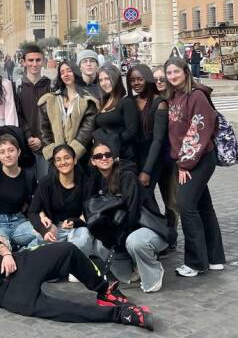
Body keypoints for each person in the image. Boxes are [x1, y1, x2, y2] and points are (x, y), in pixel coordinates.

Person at [0, 208, 154, 331]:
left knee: (65, 250)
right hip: (3, 295)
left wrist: (5, 253)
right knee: (58, 309)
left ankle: (103, 291)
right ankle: (122, 315)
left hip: (17, 264)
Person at [165, 56, 226, 278]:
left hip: (198, 159)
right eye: (169, 73)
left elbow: (199, 130)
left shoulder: (197, 95)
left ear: (185, 72)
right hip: (189, 159)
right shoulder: (175, 96)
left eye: (176, 72)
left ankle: (196, 262)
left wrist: (184, 164)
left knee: (186, 205)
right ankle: (215, 258)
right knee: (203, 207)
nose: (172, 76)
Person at [86, 138, 171, 293]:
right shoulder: (95, 181)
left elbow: (132, 212)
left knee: (135, 242)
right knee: (100, 244)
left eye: (107, 154)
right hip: (122, 229)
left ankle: (153, 272)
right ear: (93, 161)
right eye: (98, 156)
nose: (104, 158)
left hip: (146, 228)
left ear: (114, 157)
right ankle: (132, 269)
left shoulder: (127, 175)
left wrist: (116, 235)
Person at [28, 144, 94, 256]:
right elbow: (32, 211)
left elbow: (90, 212)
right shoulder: (46, 183)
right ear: (54, 163)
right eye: (58, 160)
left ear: (75, 160)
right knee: (39, 244)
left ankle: (78, 269)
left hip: (77, 227)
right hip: (54, 227)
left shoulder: (86, 183)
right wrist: (44, 230)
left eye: (67, 158)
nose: (62, 162)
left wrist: (75, 221)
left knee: (82, 239)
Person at [0, 135, 42, 251]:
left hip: (18, 222)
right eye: (2, 152)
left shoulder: (28, 176)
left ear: (18, 152)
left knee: (42, 235)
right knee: (0, 247)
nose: (7, 155)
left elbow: (36, 202)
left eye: (11, 150)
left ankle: (22, 254)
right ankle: (11, 248)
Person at [39, 60, 98, 167]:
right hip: (56, 159)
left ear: (75, 72)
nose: (65, 74)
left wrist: (70, 155)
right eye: (62, 72)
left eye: (69, 71)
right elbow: (45, 129)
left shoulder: (88, 100)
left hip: (80, 159)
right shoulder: (51, 100)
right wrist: (55, 154)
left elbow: (86, 131)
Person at [145, 67, 179, 242]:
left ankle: (170, 234)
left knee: (172, 202)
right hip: (152, 159)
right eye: (155, 79)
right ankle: (159, 230)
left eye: (162, 79)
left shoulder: (176, 101)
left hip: (171, 160)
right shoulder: (149, 101)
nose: (159, 82)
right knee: (149, 198)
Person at [15, 44, 52, 180]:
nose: (34, 64)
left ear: (43, 61)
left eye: (38, 60)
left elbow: (55, 117)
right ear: (23, 62)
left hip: (47, 144)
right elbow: (17, 114)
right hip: (25, 144)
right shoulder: (17, 86)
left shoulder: (51, 86)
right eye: (30, 60)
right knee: (27, 185)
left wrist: (41, 139)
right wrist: (29, 136)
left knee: (45, 183)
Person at [94, 64, 140, 164]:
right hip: (105, 158)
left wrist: (110, 140)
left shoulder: (126, 102)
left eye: (107, 78)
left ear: (116, 78)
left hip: (123, 158)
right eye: (101, 80)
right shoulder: (105, 101)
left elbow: (131, 133)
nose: (104, 83)